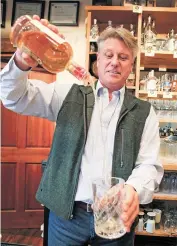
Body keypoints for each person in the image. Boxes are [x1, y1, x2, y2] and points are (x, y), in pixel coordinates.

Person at [0, 15, 163, 246]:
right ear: (98, 60)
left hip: (116, 220)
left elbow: (149, 164)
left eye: (123, 57)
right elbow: (12, 97)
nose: (115, 62)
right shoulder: (68, 94)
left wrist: (133, 188)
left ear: (131, 65)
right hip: (67, 217)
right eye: (109, 55)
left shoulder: (144, 111)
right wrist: (21, 62)